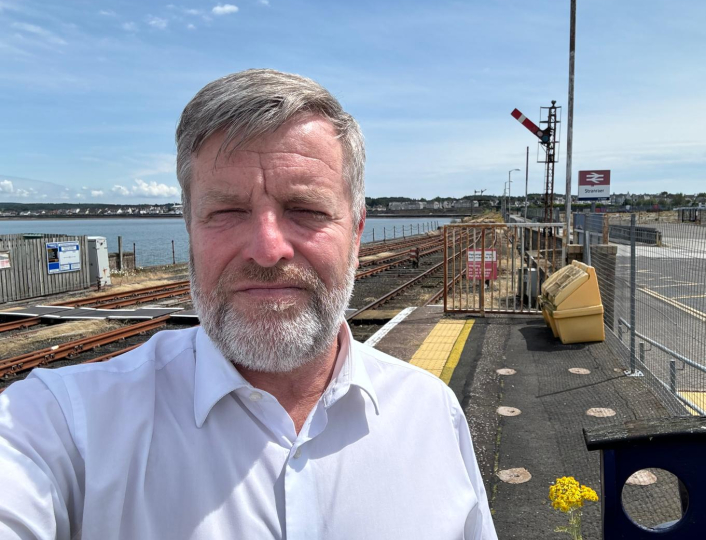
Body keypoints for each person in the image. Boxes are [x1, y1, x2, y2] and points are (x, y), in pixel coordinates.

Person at [0, 69, 497, 540]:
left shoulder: (433, 415)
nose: (267, 248)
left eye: (305, 210)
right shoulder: (60, 423)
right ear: (190, 230)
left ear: (358, 231)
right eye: (227, 211)